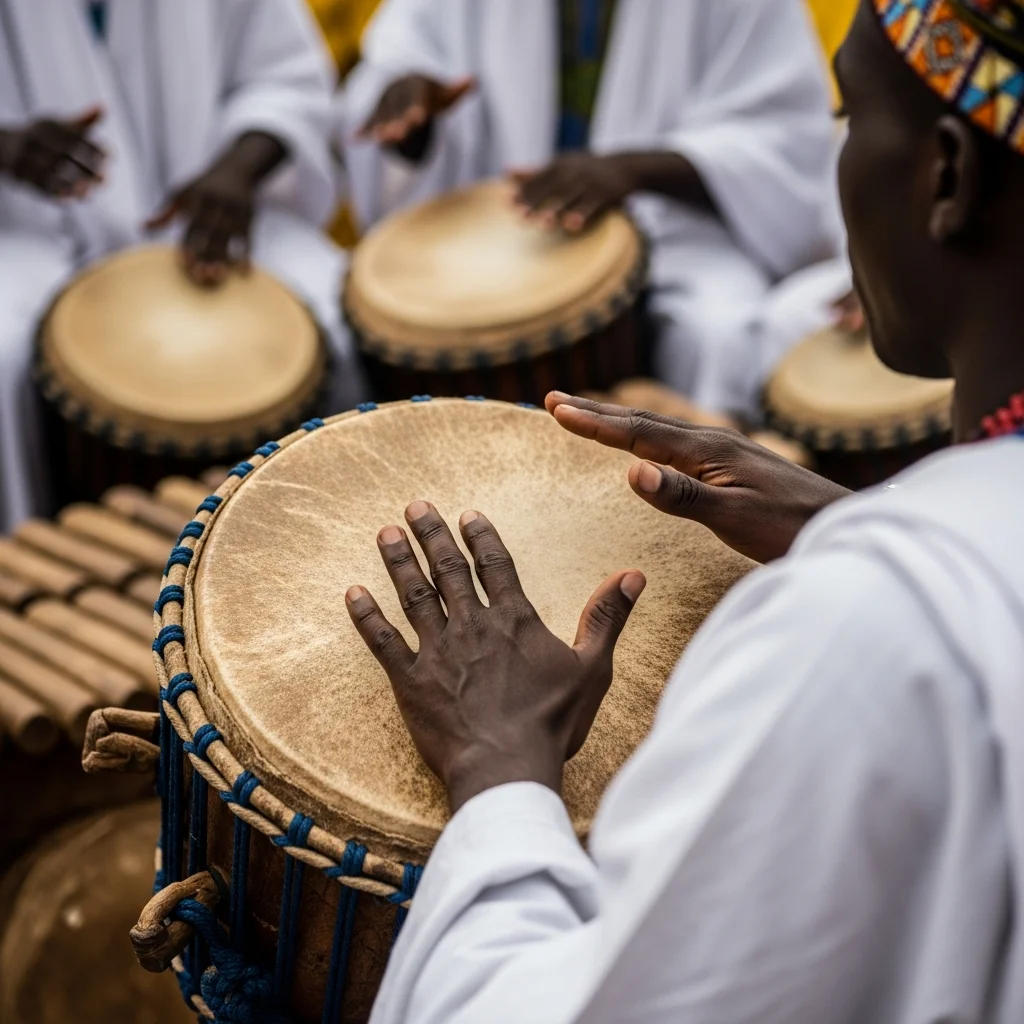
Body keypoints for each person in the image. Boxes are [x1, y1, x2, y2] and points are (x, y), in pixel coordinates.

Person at [344, 1, 1024, 1020]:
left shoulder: (869, 629)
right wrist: (858, 525)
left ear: (945, 175)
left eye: (850, 120)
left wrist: (497, 773)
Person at [339, 0, 840, 418]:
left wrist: (631, 171)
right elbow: (395, 68)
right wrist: (411, 124)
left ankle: (706, 513)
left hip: (674, 229)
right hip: (495, 225)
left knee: (719, 329)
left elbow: (782, 135)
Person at [0, 0, 365, 533]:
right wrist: (7, 147)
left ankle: (356, 531)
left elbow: (288, 81)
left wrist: (237, 170)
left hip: (216, 216)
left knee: (340, 313)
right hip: (28, 231)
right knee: (2, 356)